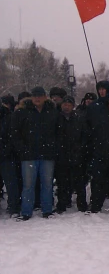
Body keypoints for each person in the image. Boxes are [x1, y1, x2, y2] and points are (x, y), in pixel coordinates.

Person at [11, 87, 59, 221]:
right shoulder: (22, 112)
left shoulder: (52, 112)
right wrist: (22, 149)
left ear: (45, 97)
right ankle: (26, 211)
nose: (37, 98)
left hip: (47, 154)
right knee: (28, 185)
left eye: (40, 96)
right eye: (35, 96)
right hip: (28, 155)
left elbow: (58, 132)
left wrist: (53, 148)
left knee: (47, 184)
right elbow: (15, 133)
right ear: (31, 97)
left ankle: (47, 210)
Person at [55, 95, 88, 213]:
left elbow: (84, 136)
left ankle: (82, 204)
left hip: (76, 155)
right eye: (64, 104)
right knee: (62, 182)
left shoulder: (79, 119)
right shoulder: (57, 118)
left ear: (73, 106)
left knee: (79, 182)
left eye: (69, 105)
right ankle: (62, 204)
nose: (66, 107)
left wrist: (80, 149)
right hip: (61, 155)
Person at [1, 95, 20, 217]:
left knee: (11, 183)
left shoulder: (8, 117)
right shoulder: (9, 116)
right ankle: (13, 206)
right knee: (11, 183)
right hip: (6, 154)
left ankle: (13, 206)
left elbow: (11, 136)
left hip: (6, 155)